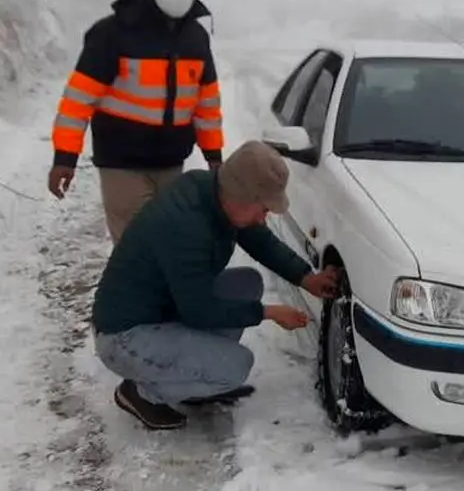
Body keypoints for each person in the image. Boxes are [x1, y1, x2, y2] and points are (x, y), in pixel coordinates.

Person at [90, 141, 340, 430]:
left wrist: (305, 277)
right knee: (236, 366)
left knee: (247, 282)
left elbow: (259, 238)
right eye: (263, 207)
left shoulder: (212, 192)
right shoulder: (186, 227)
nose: (265, 216)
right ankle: (141, 393)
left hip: (164, 310)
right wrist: (267, 313)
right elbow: (199, 310)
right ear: (241, 196)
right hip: (124, 336)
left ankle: (195, 380)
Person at [47, 0, 226, 244]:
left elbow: (207, 106)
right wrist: (65, 158)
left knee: (168, 241)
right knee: (136, 246)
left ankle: (155, 290)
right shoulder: (113, 33)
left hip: (171, 162)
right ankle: (136, 290)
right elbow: (78, 101)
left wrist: (214, 158)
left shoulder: (196, 38)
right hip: (121, 162)